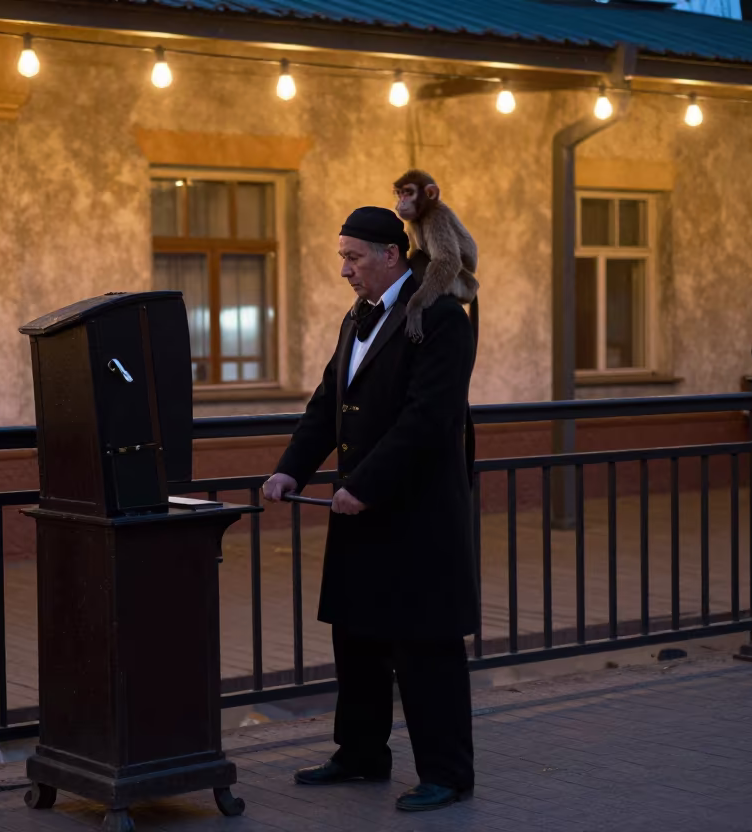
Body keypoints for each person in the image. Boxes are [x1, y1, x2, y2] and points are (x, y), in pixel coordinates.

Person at [262, 206, 479, 812]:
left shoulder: (442, 316)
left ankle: (448, 774)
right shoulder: (356, 317)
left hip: (416, 514)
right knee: (357, 636)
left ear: (391, 254)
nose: (345, 270)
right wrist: (290, 467)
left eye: (353, 258)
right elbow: (327, 401)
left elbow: (428, 417)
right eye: (342, 258)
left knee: (425, 644)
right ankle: (360, 754)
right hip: (359, 509)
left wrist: (366, 485)